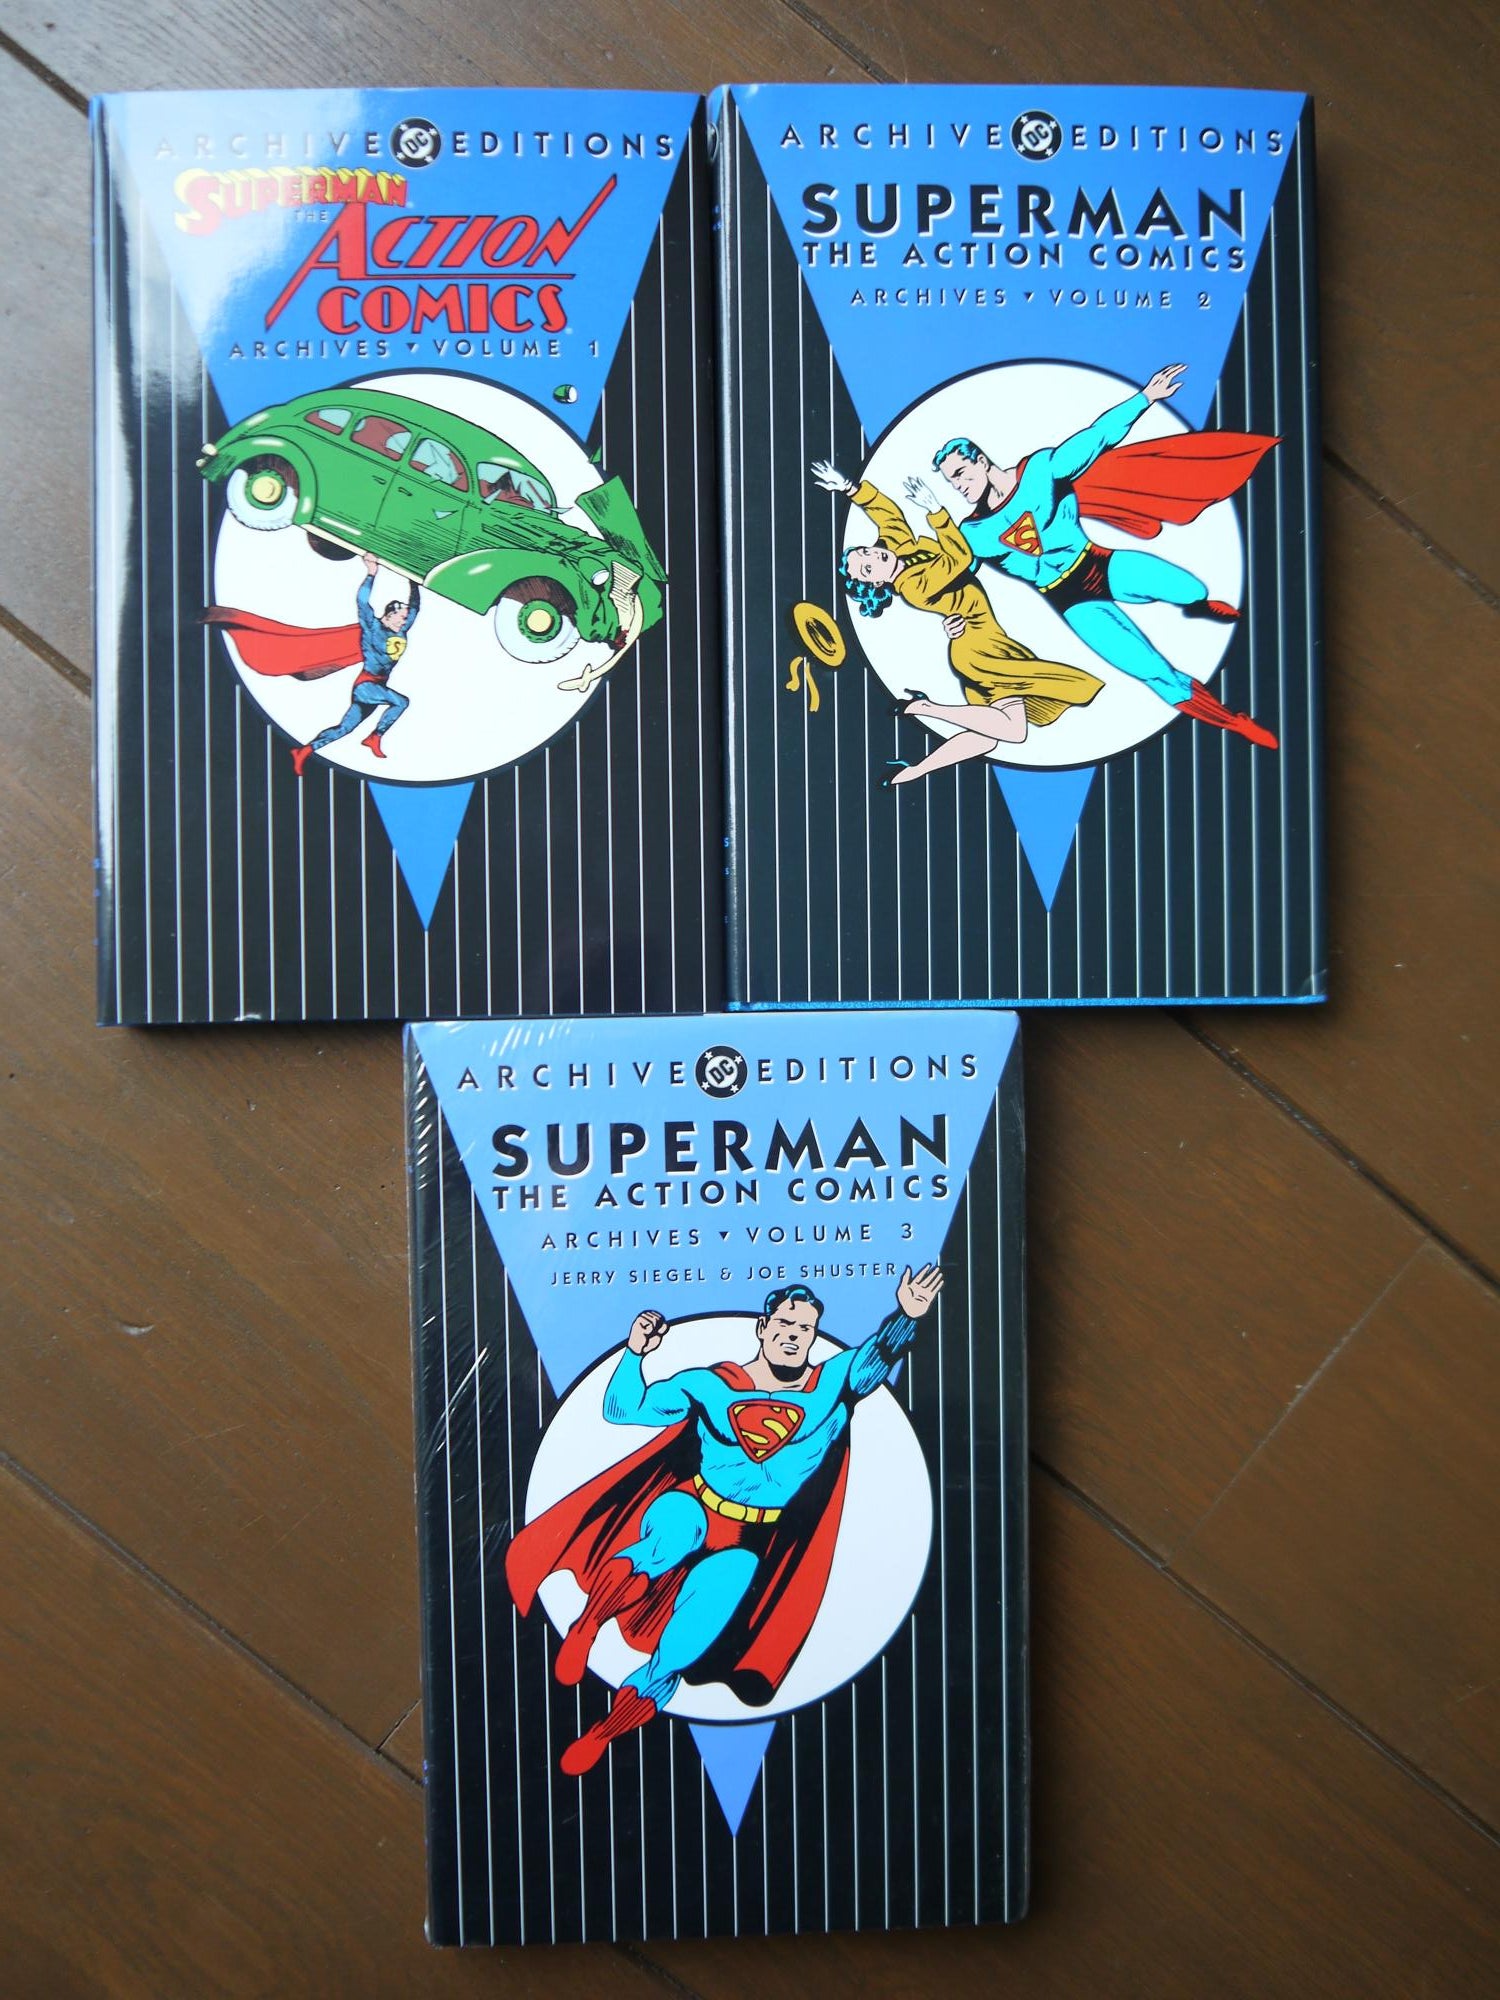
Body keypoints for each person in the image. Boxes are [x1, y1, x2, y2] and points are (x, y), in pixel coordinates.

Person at [505, 1267, 944, 1775]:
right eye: (784, 1323)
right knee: (667, 1538)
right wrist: (634, 1354)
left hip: (747, 1539)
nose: (792, 1335)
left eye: (803, 1328)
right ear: (763, 1327)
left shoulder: (833, 1387)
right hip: (693, 1502)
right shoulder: (710, 1385)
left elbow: (881, 1354)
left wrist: (906, 1316)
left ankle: (603, 1734)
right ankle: (587, 1625)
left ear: (813, 1337)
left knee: (682, 1647)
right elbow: (624, 1410)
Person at [932, 363, 1278, 748]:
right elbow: (953, 579)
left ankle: (1198, 606)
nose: (958, 486)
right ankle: (1234, 722)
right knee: (1150, 670)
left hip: (1099, 563)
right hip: (1071, 600)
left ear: (981, 460)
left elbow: (1096, 437)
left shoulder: (1040, 470)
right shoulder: (973, 533)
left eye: (961, 473)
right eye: (951, 481)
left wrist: (1146, 398)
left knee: (1187, 587)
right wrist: (953, 619)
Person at [812, 459, 1102, 784]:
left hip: (987, 640)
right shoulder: (914, 586)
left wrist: (849, 488)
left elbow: (887, 514)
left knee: (990, 737)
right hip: (978, 649)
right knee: (1015, 732)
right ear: (877, 583)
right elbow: (959, 558)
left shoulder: (900, 549)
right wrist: (936, 511)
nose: (874, 556)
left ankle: (913, 771)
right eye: (867, 568)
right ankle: (927, 708)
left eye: (866, 551)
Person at [288, 553, 420, 775]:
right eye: (402, 617)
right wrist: (371, 573)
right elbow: (362, 602)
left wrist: (413, 582)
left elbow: (415, 607)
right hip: (366, 685)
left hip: (376, 687)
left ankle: (304, 751)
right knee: (401, 702)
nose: (404, 621)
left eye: (406, 618)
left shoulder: (401, 630)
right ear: (390, 615)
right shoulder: (373, 627)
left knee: (344, 728)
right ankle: (375, 737)